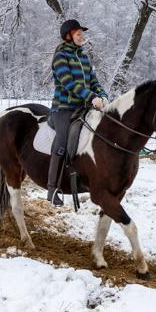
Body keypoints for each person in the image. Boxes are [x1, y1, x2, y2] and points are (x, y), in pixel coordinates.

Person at [47, 18, 110, 206]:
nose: (82, 36)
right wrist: (91, 97)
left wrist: (102, 95)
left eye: (82, 33)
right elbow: (68, 83)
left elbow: (94, 81)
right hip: (64, 108)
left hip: (83, 107)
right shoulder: (60, 57)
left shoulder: (83, 57)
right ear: (68, 36)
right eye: (78, 33)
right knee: (62, 139)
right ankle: (52, 188)